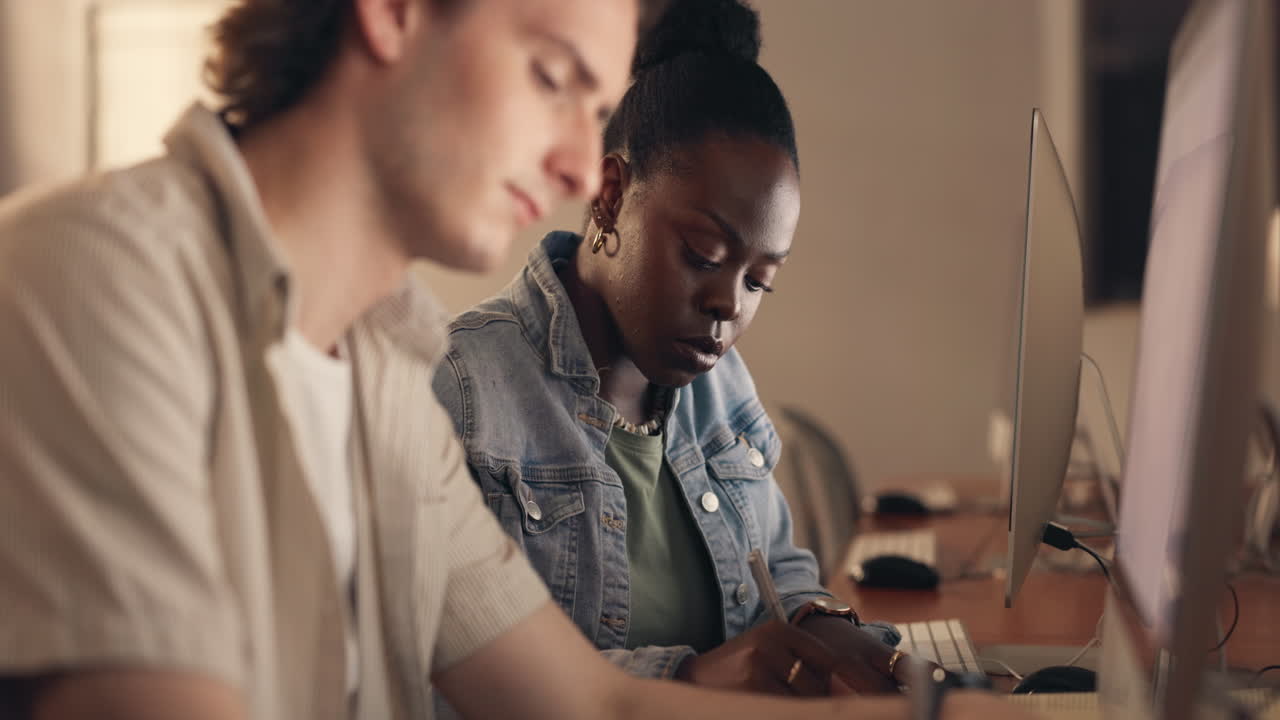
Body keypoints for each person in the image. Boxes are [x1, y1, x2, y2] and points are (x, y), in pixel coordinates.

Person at [0, 0, 1035, 718]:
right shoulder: (99, 279)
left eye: (595, 110)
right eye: (553, 77)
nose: (578, 168)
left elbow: (597, 704)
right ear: (395, 13)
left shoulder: (376, 367)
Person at [431, 0, 917, 698]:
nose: (729, 305)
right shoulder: (461, 392)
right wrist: (690, 680)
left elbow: (776, 567)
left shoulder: (719, 387)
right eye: (702, 254)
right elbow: (440, 685)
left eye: (760, 281)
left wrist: (826, 630)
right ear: (609, 195)